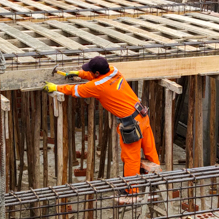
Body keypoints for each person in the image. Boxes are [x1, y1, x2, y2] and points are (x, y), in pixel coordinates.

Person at [45, 55, 160, 197]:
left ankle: (131, 191)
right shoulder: (113, 70)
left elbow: (74, 90)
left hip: (131, 124)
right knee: (150, 149)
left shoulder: (96, 87)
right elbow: (96, 77)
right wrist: (79, 73)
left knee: (130, 158)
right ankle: (155, 178)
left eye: (91, 72)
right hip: (142, 114)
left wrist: (55, 87)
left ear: (97, 73)